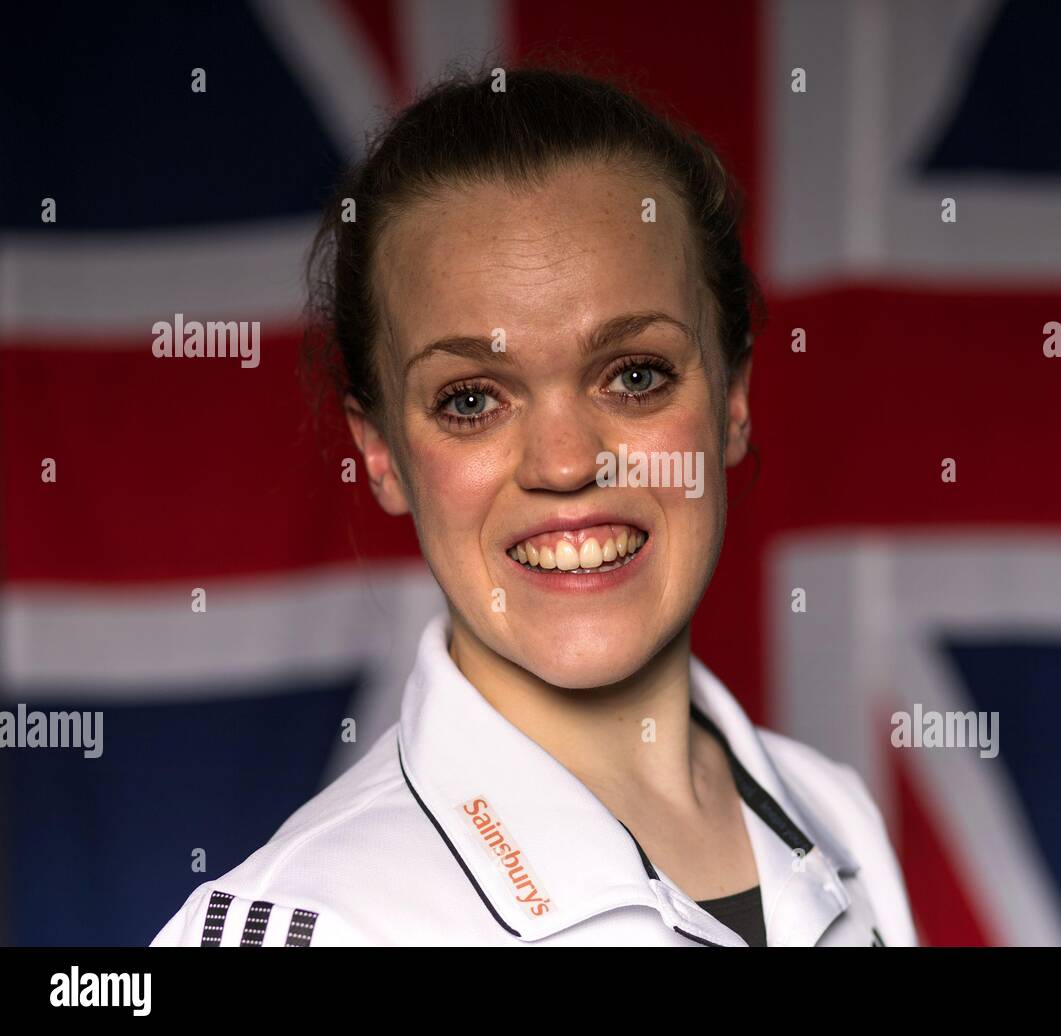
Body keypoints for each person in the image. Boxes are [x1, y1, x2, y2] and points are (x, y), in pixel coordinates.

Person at [151, 64, 916, 947]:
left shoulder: (836, 816)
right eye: (471, 399)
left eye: (635, 376)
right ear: (380, 453)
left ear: (733, 401)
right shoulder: (303, 923)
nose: (564, 464)